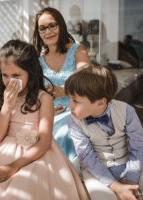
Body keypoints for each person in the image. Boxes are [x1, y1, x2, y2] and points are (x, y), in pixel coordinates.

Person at [0, 40, 90, 200]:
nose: (10, 81)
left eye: (16, 75)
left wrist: (14, 166)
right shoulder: (3, 98)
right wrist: (6, 106)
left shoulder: (43, 98)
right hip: (6, 152)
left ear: (31, 73)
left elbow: (44, 142)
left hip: (37, 154)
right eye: (5, 75)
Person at [65, 64, 143, 200]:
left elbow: (138, 148)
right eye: (69, 99)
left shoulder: (127, 111)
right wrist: (118, 187)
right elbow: (87, 158)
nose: (69, 106)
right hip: (95, 171)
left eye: (75, 101)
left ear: (101, 102)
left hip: (130, 166)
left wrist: (131, 181)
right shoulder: (73, 121)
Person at [32, 7, 90, 164]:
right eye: (43, 28)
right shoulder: (37, 59)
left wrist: (64, 90)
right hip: (48, 112)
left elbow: (88, 80)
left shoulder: (78, 50)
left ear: (61, 26)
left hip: (76, 110)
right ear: (38, 33)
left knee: (65, 132)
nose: (48, 31)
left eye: (52, 25)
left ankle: (70, 176)